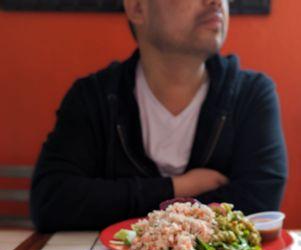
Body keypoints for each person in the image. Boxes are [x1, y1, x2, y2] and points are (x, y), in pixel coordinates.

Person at [30, 0, 287, 232]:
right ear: (137, 8)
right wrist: (178, 187)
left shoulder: (251, 94)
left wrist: (120, 203)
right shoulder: (94, 97)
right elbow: (52, 202)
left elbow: (258, 204)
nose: (216, 2)